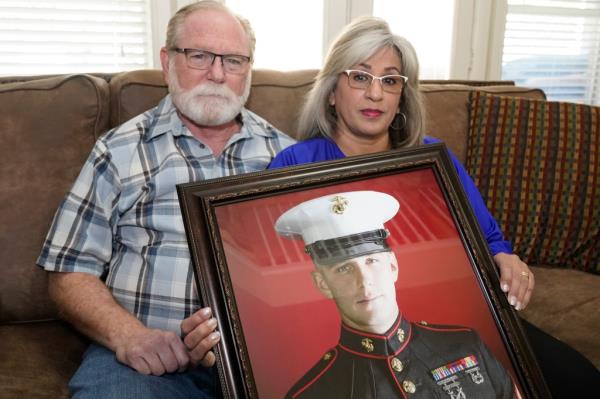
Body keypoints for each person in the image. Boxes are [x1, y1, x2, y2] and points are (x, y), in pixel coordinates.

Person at [269, 16, 600, 398]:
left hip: (455, 318)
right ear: (331, 91)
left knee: (581, 380)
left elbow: (489, 238)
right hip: (351, 336)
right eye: (360, 77)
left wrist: (507, 259)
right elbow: (283, 273)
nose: (375, 94)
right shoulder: (294, 164)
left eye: (390, 81)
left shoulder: (433, 160)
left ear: (401, 96)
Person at [36, 2, 294, 398]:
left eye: (234, 60)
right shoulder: (119, 150)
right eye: (200, 55)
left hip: (262, 359)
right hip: (146, 366)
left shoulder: (286, 157)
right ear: (167, 61)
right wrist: (130, 337)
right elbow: (68, 269)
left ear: (249, 69)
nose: (217, 73)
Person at [276, 190, 516, 398]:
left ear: (392, 266)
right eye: (344, 268)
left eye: (371, 261)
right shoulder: (312, 393)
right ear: (323, 284)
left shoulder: (465, 343)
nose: (364, 281)